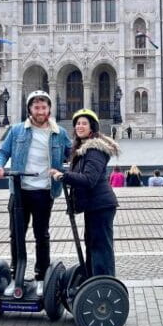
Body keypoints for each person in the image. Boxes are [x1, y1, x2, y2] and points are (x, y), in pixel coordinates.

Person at [0, 90, 72, 297]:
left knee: (41, 235)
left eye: (44, 107)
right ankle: (15, 277)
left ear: (49, 109)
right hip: (19, 191)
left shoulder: (59, 133)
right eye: (36, 107)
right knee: (16, 235)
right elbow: (2, 152)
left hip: (44, 191)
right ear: (30, 109)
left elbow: (73, 154)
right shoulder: (18, 130)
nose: (40, 111)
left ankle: (41, 277)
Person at [50, 109, 119, 278]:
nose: (80, 126)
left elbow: (89, 179)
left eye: (84, 123)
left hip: (101, 205)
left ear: (92, 127)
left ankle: (103, 285)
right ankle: (93, 281)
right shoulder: (82, 149)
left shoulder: (95, 149)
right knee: (92, 244)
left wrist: (63, 176)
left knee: (100, 247)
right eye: (77, 123)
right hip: (94, 205)